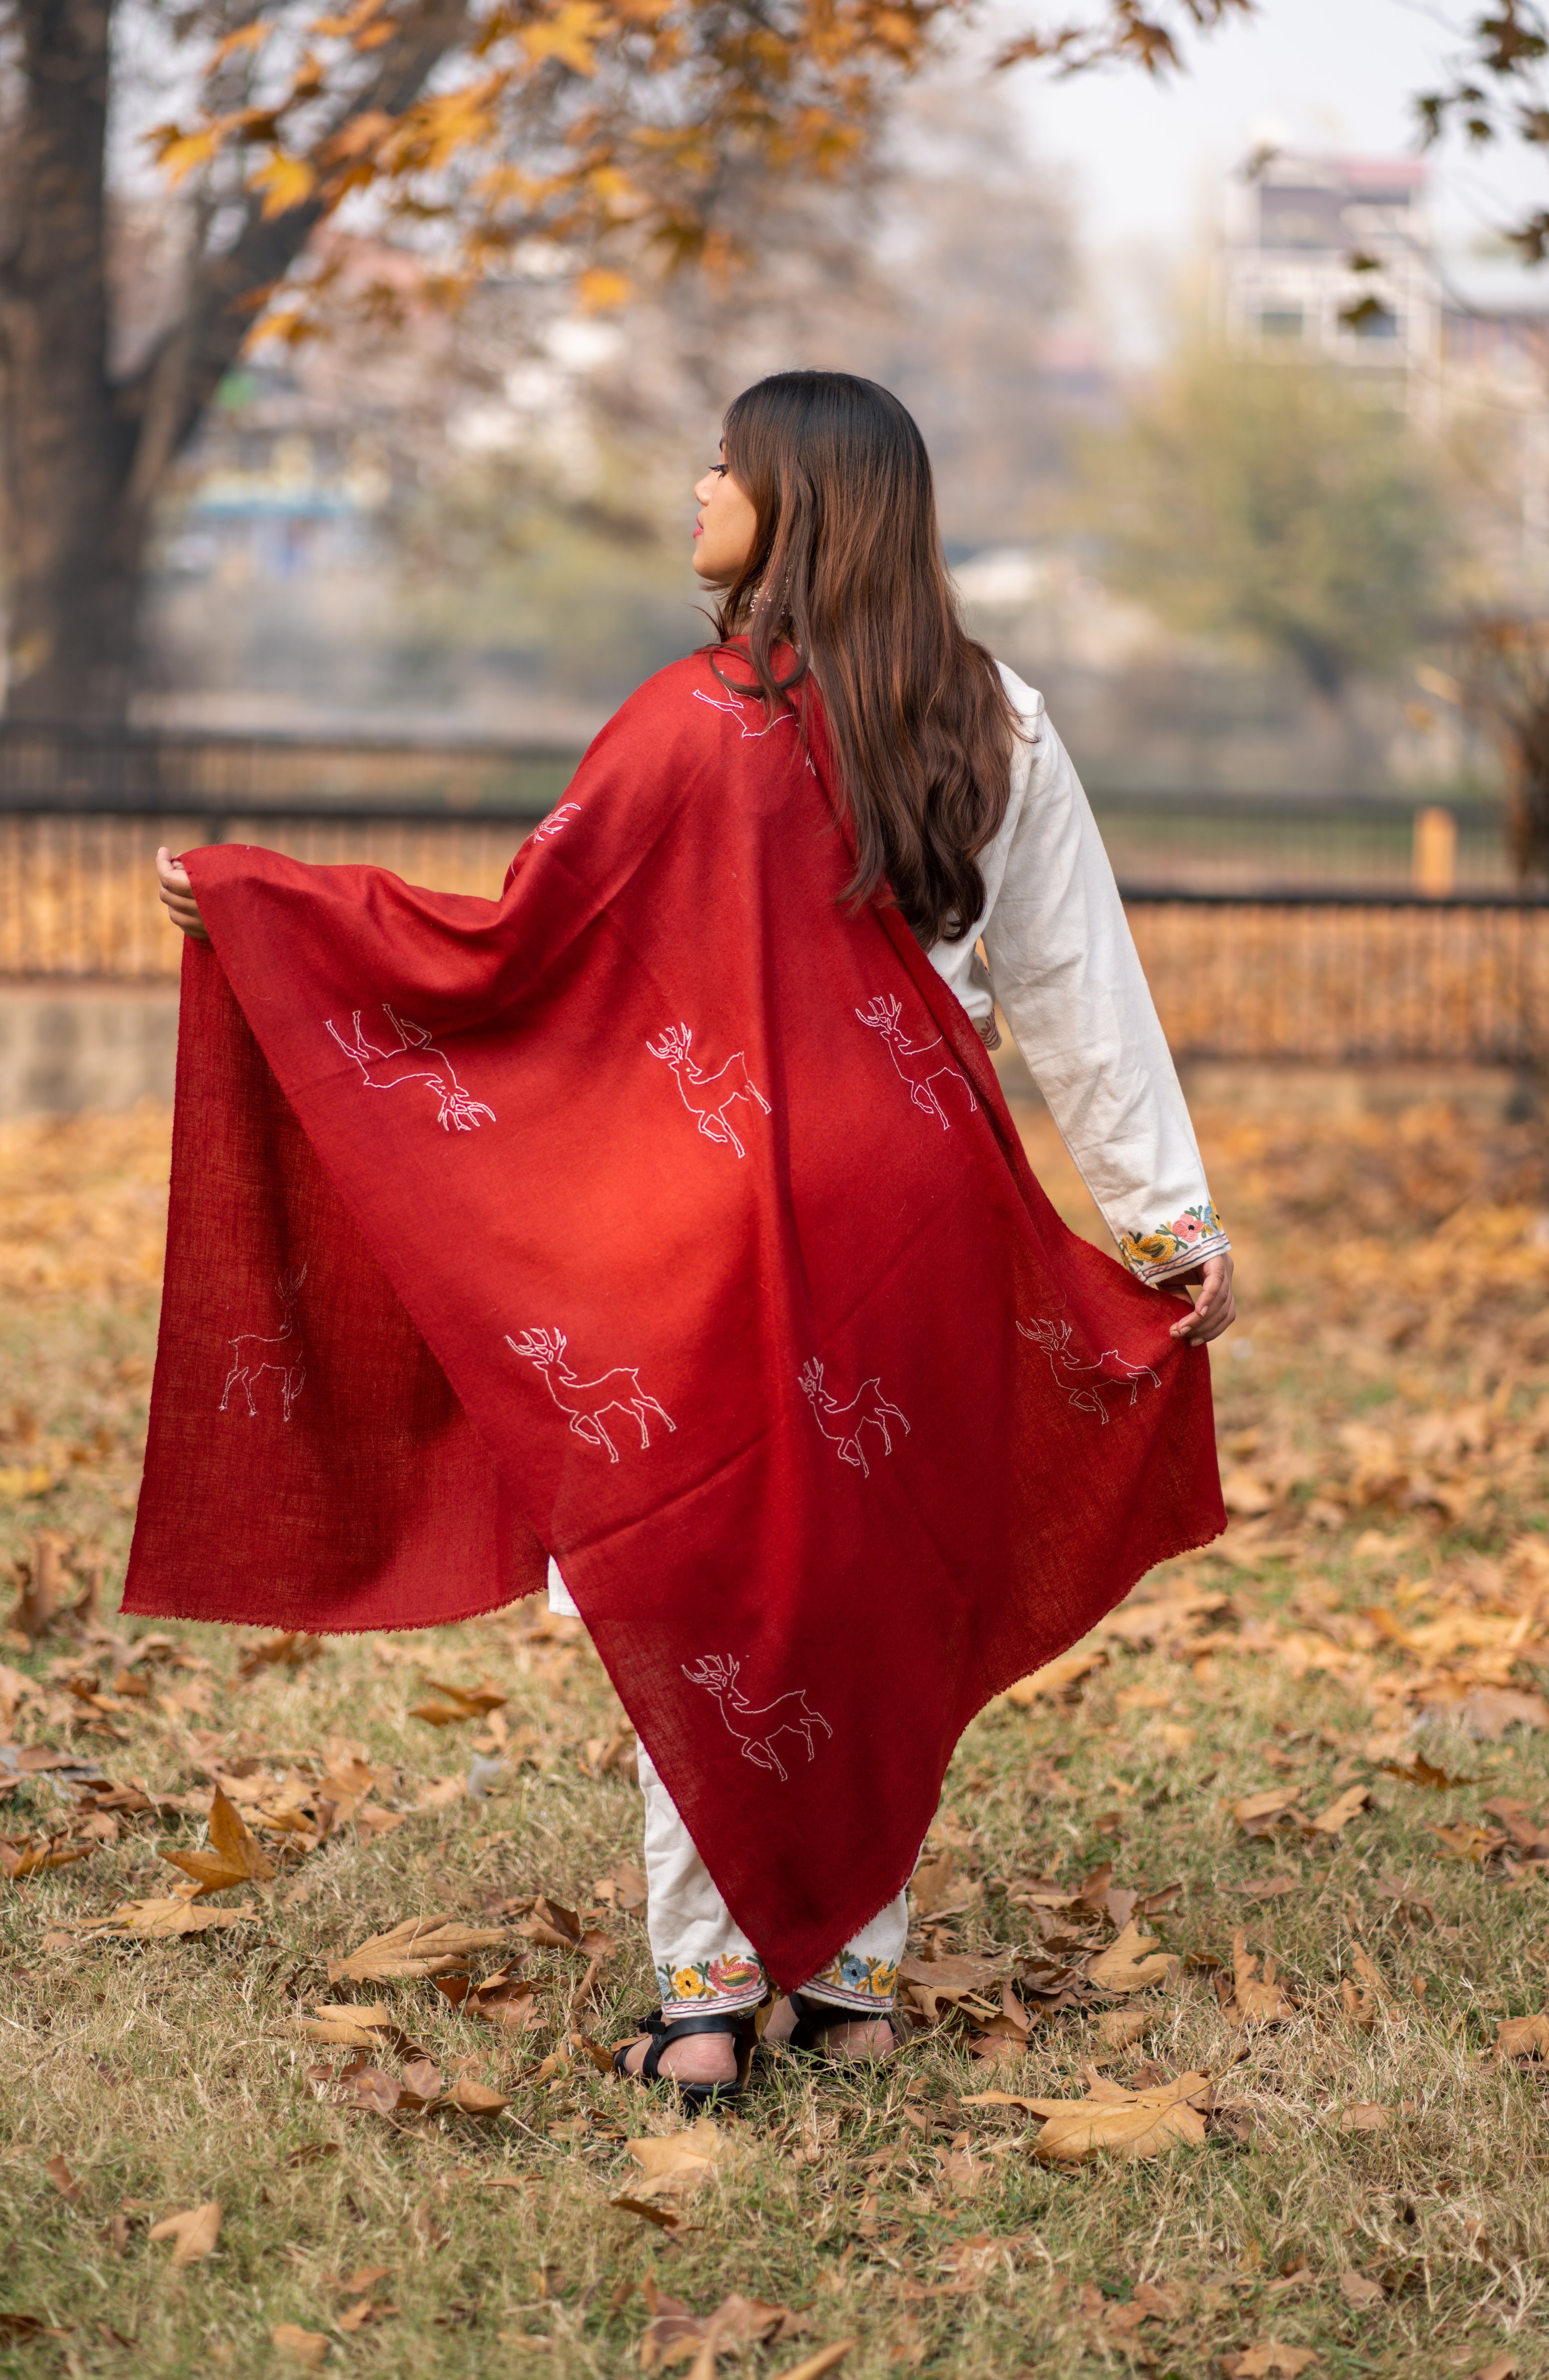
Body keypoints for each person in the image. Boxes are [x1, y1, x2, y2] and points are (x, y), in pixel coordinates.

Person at [150, 370, 1233, 2107]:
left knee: (714, 1583)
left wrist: (276, 910)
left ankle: (711, 2001)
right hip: (924, 1206)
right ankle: (854, 1987)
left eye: (726, 465)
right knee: (878, 1584)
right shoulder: (997, 717)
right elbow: (1074, 980)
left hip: (713, 1216)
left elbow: (517, 949)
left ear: (798, 502)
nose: (699, 488)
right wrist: (1169, 1222)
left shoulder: (684, 720)